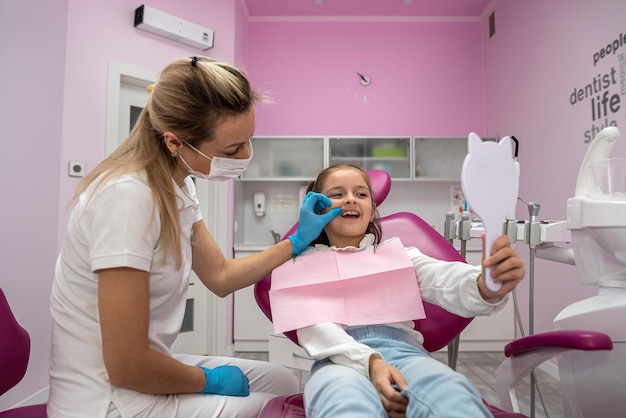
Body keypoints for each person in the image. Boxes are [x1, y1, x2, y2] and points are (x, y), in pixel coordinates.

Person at [47, 56, 340, 418]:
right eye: (232, 149)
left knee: (283, 383)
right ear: (175, 142)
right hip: (107, 397)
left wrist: (295, 242)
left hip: (140, 370)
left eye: (249, 140)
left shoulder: (178, 186)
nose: (246, 155)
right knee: (280, 410)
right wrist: (209, 380)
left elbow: (219, 276)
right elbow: (126, 364)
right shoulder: (127, 198)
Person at [286, 164, 526, 418]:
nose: (350, 199)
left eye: (361, 194)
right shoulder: (302, 264)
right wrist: (371, 363)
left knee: (453, 393)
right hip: (337, 361)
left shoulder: (399, 256)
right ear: (318, 210)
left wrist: (486, 283)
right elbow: (315, 329)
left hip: (406, 355)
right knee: (345, 403)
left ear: (371, 212)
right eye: (337, 194)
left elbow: (444, 278)